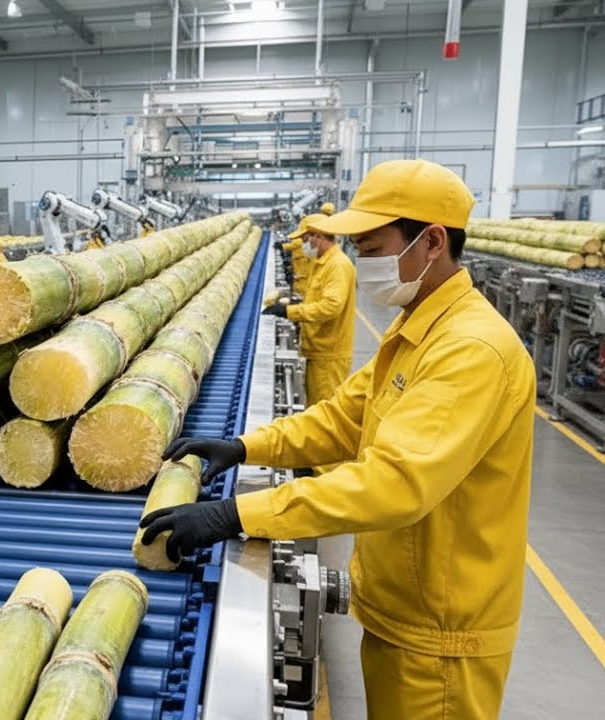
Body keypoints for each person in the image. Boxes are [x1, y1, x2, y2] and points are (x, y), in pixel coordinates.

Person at [141, 159, 535, 720]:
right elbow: (343, 420)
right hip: (400, 609)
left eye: (373, 248)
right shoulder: (416, 328)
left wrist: (238, 514)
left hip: (441, 636)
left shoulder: (471, 349)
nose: (363, 262)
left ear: (432, 242)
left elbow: (393, 484)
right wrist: (249, 447)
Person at [264, 215, 356, 407]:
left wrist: (290, 311)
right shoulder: (322, 262)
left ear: (318, 236)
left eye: (305, 239)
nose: (303, 244)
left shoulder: (337, 265)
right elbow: (315, 297)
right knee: (315, 406)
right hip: (319, 351)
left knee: (325, 414)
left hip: (328, 356)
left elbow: (332, 306)